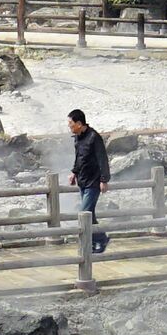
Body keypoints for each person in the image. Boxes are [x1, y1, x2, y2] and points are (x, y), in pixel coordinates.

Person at [67, 108, 110, 251]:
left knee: (84, 213)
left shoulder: (94, 137)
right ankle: (97, 241)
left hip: (93, 181)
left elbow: (102, 159)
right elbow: (79, 158)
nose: (69, 126)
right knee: (90, 215)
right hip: (83, 181)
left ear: (79, 123)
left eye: (71, 124)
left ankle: (98, 239)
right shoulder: (78, 138)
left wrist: (104, 180)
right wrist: (74, 172)